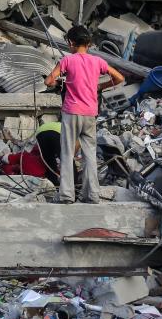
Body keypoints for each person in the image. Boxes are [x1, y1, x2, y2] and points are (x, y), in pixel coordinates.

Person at [44, 25, 124, 203]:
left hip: (71, 112)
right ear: (88, 43)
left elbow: (49, 80)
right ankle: (92, 195)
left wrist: (59, 82)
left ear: (71, 43)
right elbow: (119, 78)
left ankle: (66, 195)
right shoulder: (98, 61)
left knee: (67, 153)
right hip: (90, 114)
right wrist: (100, 86)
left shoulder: (67, 60)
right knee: (89, 154)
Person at [0, 121, 70, 186]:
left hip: (41, 133)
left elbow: (6, 159)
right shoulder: (51, 160)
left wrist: (5, 161)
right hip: (40, 180)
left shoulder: (25, 155)